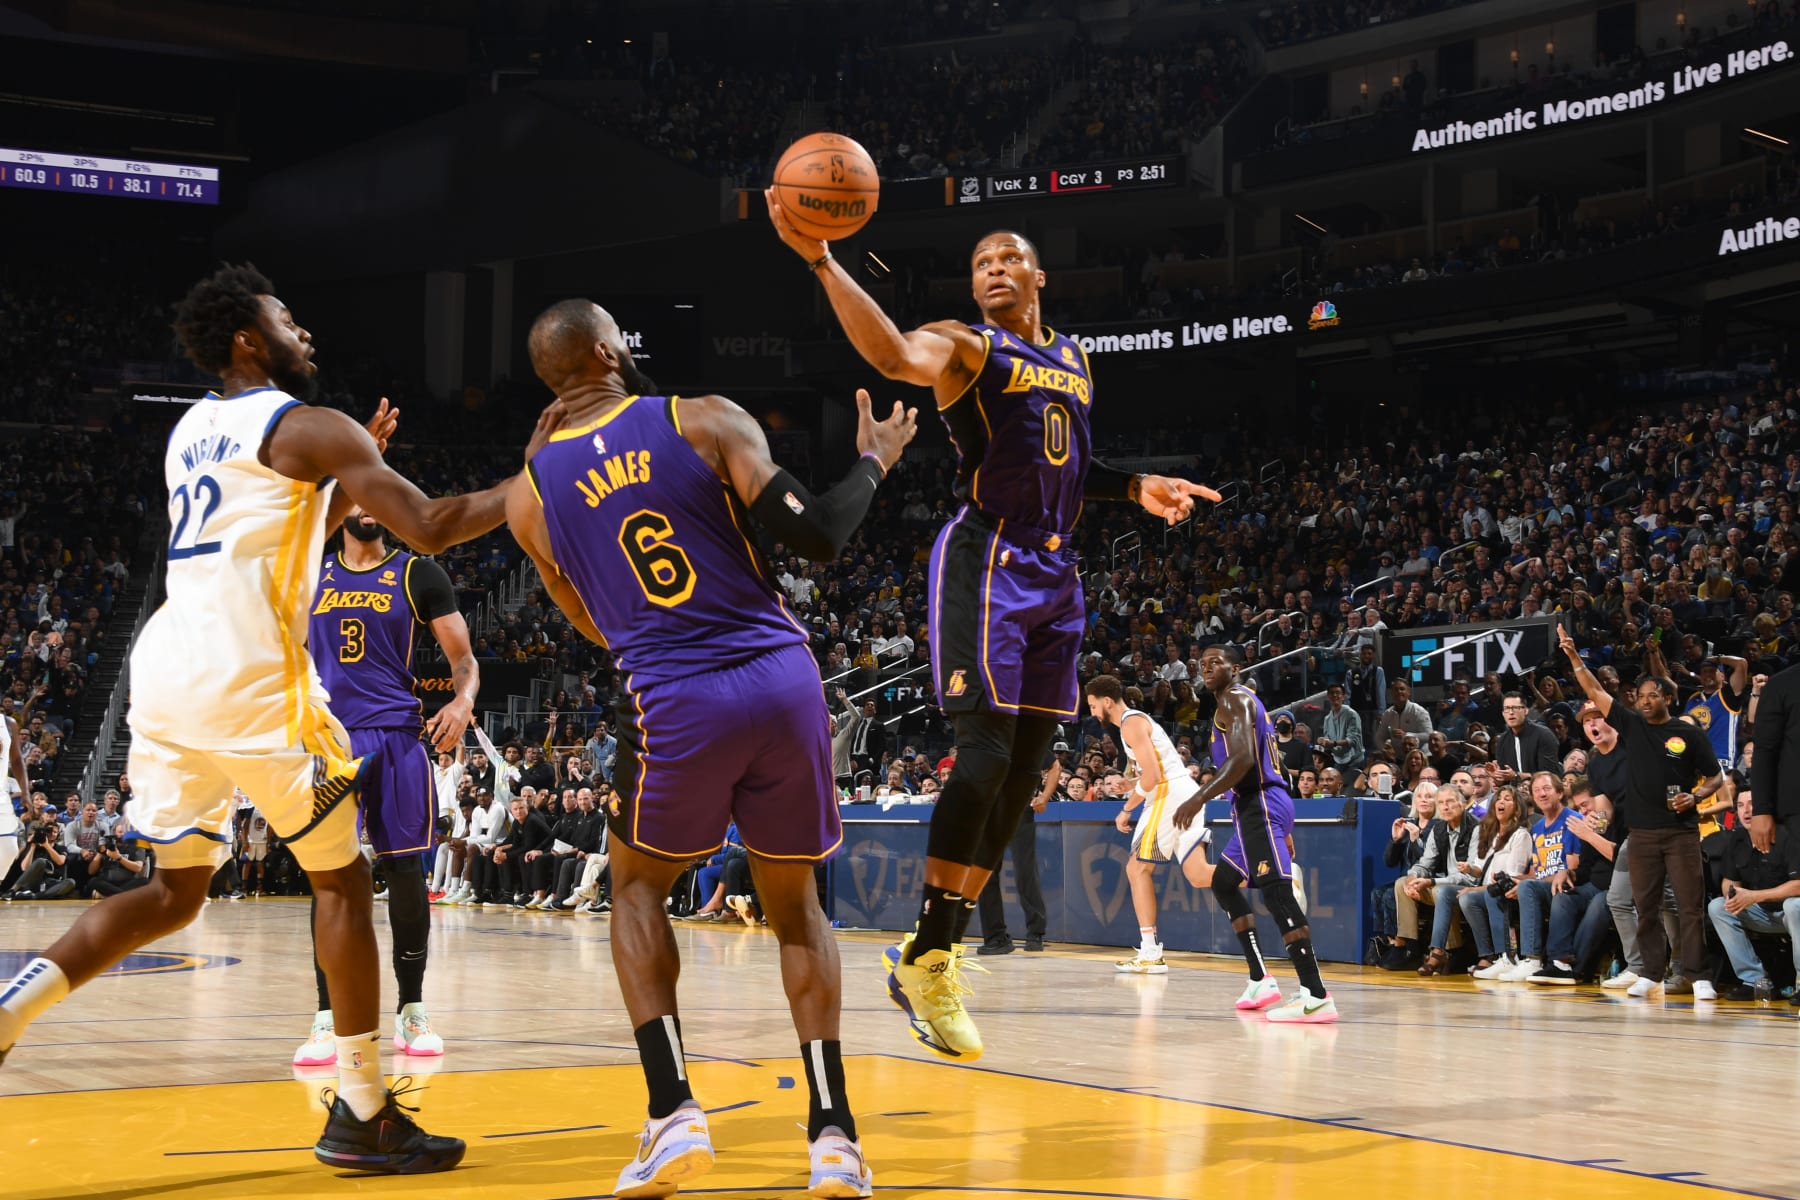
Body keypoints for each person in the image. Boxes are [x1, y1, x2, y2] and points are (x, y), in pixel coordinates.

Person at [0, 264, 555, 1172]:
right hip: (253, 675)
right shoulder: (309, 426)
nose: (304, 329)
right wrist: (533, 481)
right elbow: (430, 522)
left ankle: (9, 1013)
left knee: (174, 893)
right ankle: (366, 1112)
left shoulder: (189, 432)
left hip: (170, 671)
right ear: (247, 337)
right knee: (339, 883)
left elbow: (271, 524)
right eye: (284, 316)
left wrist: (342, 477)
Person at [768, 202, 1218, 1062]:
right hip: (989, 560)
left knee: (1024, 774)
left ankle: (928, 956)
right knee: (981, 755)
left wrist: (1135, 488)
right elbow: (896, 355)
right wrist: (825, 262)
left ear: (1040, 277)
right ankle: (933, 951)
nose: (994, 271)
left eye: (1009, 259)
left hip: (1058, 574)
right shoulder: (969, 347)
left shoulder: (1075, 358)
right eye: (981, 265)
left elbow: (1071, 467)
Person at [504, 298, 912, 1198]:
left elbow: (589, 621)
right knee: (796, 906)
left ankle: (675, 1113)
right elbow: (820, 532)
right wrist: (875, 456)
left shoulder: (529, 495)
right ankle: (834, 1137)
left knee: (637, 886)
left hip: (674, 697)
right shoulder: (701, 417)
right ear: (611, 352)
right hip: (781, 677)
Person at [292, 506, 479, 1067]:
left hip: (396, 735)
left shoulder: (417, 573)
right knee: (329, 875)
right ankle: (327, 1017)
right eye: (354, 494)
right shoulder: (310, 573)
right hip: (330, 738)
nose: (366, 507)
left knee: (404, 870)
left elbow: (462, 656)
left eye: (376, 492)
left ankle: (412, 1010)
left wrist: (463, 700)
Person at [1173, 645, 1337, 1022]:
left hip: (1259, 803)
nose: (1208, 668)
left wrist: (1199, 797)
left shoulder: (1234, 698)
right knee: (1225, 882)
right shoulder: (1233, 704)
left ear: (1237, 667)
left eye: (1217, 662)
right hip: (1259, 806)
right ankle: (1260, 977)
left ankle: (1315, 995)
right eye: (1203, 664)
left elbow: (1244, 759)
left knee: (1276, 894)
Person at [1559, 624, 1724, 998]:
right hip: (1642, 834)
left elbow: (1716, 779)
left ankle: (1699, 976)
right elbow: (1594, 691)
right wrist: (1572, 656)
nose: (1644, 701)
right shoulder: (1632, 726)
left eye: (1652, 695)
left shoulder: (1689, 734)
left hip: (1681, 833)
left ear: (1668, 695)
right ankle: (1650, 972)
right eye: (1640, 696)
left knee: (1689, 907)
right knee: (1646, 907)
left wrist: (1695, 799)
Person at [1083, 675, 1214, 976]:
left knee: (1137, 868)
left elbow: (1154, 778)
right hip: (1184, 792)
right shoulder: (1133, 724)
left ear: (1106, 701)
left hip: (1169, 794)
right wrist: (1128, 784)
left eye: (1092, 705)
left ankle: (1151, 952)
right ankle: (1271, 876)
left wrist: (1126, 809)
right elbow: (1150, 772)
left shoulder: (1130, 724)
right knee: (1198, 874)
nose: (1091, 712)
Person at [1706, 785, 1800, 1004]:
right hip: (1762, 914)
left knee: (1794, 906)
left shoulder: (1789, 834)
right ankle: (1754, 981)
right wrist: (1732, 895)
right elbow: (1730, 880)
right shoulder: (1737, 838)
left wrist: (1754, 896)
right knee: (1718, 907)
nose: (1746, 811)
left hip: (1790, 915)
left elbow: (1798, 885)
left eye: (1752, 805)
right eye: (1740, 805)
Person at [974, 749, 1053, 956]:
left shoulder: (1024, 736)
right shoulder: (982, 739)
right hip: (988, 812)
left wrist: (1044, 796)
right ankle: (996, 937)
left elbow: (1054, 766)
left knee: (1024, 872)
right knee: (985, 876)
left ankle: (1035, 932)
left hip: (1019, 811)